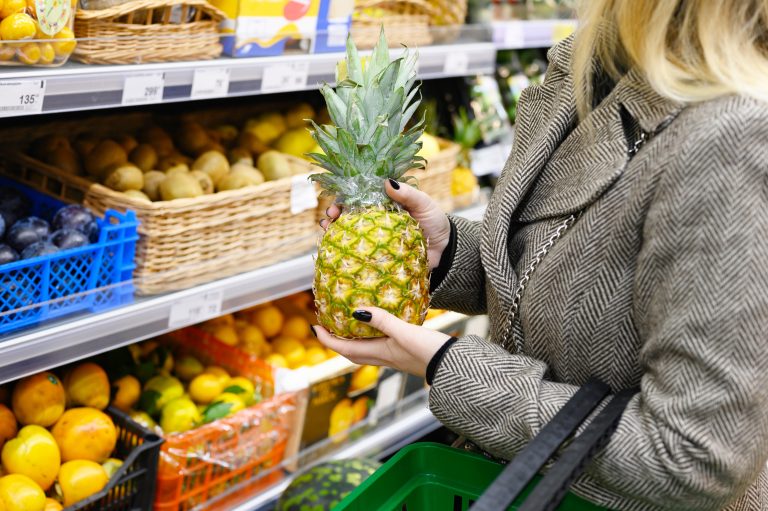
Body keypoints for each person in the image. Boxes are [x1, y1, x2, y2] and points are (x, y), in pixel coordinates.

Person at [314, 1, 768, 509]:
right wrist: (444, 253)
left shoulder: (733, 132)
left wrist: (454, 368)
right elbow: (580, 270)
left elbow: (693, 455)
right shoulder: (595, 64)